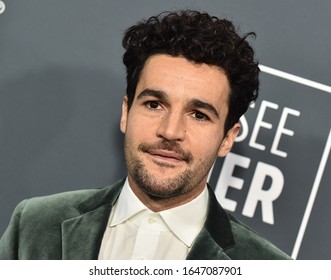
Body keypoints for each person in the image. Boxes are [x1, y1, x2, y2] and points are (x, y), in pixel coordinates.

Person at [0, 10, 291, 260]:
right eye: (154, 104)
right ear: (126, 112)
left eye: (199, 115)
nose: (170, 131)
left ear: (228, 137)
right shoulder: (35, 224)